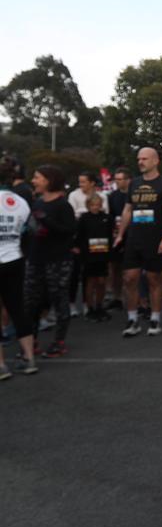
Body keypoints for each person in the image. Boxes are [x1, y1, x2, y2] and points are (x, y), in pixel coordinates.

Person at [114, 147, 162, 337]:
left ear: (156, 161)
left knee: (154, 279)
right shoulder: (134, 184)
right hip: (134, 238)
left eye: (145, 158)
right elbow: (127, 210)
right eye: (139, 159)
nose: (140, 161)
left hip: (155, 239)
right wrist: (120, 235)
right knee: (129, 278)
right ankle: (133, 318)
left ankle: (155, 317)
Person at [24, 165, 77, 358]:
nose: (33, 181)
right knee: (31, 302)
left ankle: (59, 342)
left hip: (58, 262)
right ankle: (32, 342)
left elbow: (70, 231)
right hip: (35, 260)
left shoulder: (63, 205)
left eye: (37, 177)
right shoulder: (37, 203)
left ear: (48, 180)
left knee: (59, 300)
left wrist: (46, 221)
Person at [0, 154, 39, 377]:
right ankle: (29, 358)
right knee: (18, 309)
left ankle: (1, 366)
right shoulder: (21, 202)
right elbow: (31, 229)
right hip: (15, 259)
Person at [74, 193, 114, 321]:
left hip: (103, 253)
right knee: (90, 281)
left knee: (102, 281)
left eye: (97, 205)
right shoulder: (84, 218)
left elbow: (110, 235)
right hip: (88, 254)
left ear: (101, 205)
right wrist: (77, 248)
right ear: (88, 205)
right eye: (92, 205)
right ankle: (89, 308)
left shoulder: (107, 218)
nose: (95, 207)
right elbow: (78, 236)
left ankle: (99, 306)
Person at [105, 166, 131, 310]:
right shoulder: (113, 196)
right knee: (114, 267)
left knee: (131, 270)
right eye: (117, 179)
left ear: (128, 180)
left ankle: (136, 299)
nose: (118, 182)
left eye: (121, 179)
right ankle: (117, 297)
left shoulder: (134, 194)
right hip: (117, 234)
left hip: (132, 234)